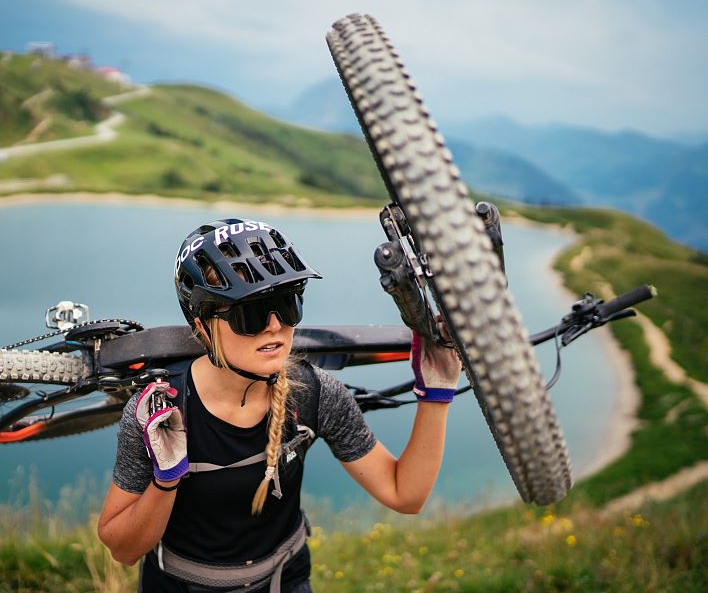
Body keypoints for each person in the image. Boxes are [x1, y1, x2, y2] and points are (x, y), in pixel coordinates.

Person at [97, 218, 461, 592]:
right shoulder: (162, 411)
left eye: (285, 306)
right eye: (250, 314)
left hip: (283, 581)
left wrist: (436, 394)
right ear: (202, 326)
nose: (274, 326)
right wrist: (165, 481)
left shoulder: (314, 393)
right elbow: (123, 550)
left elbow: (405, 494)